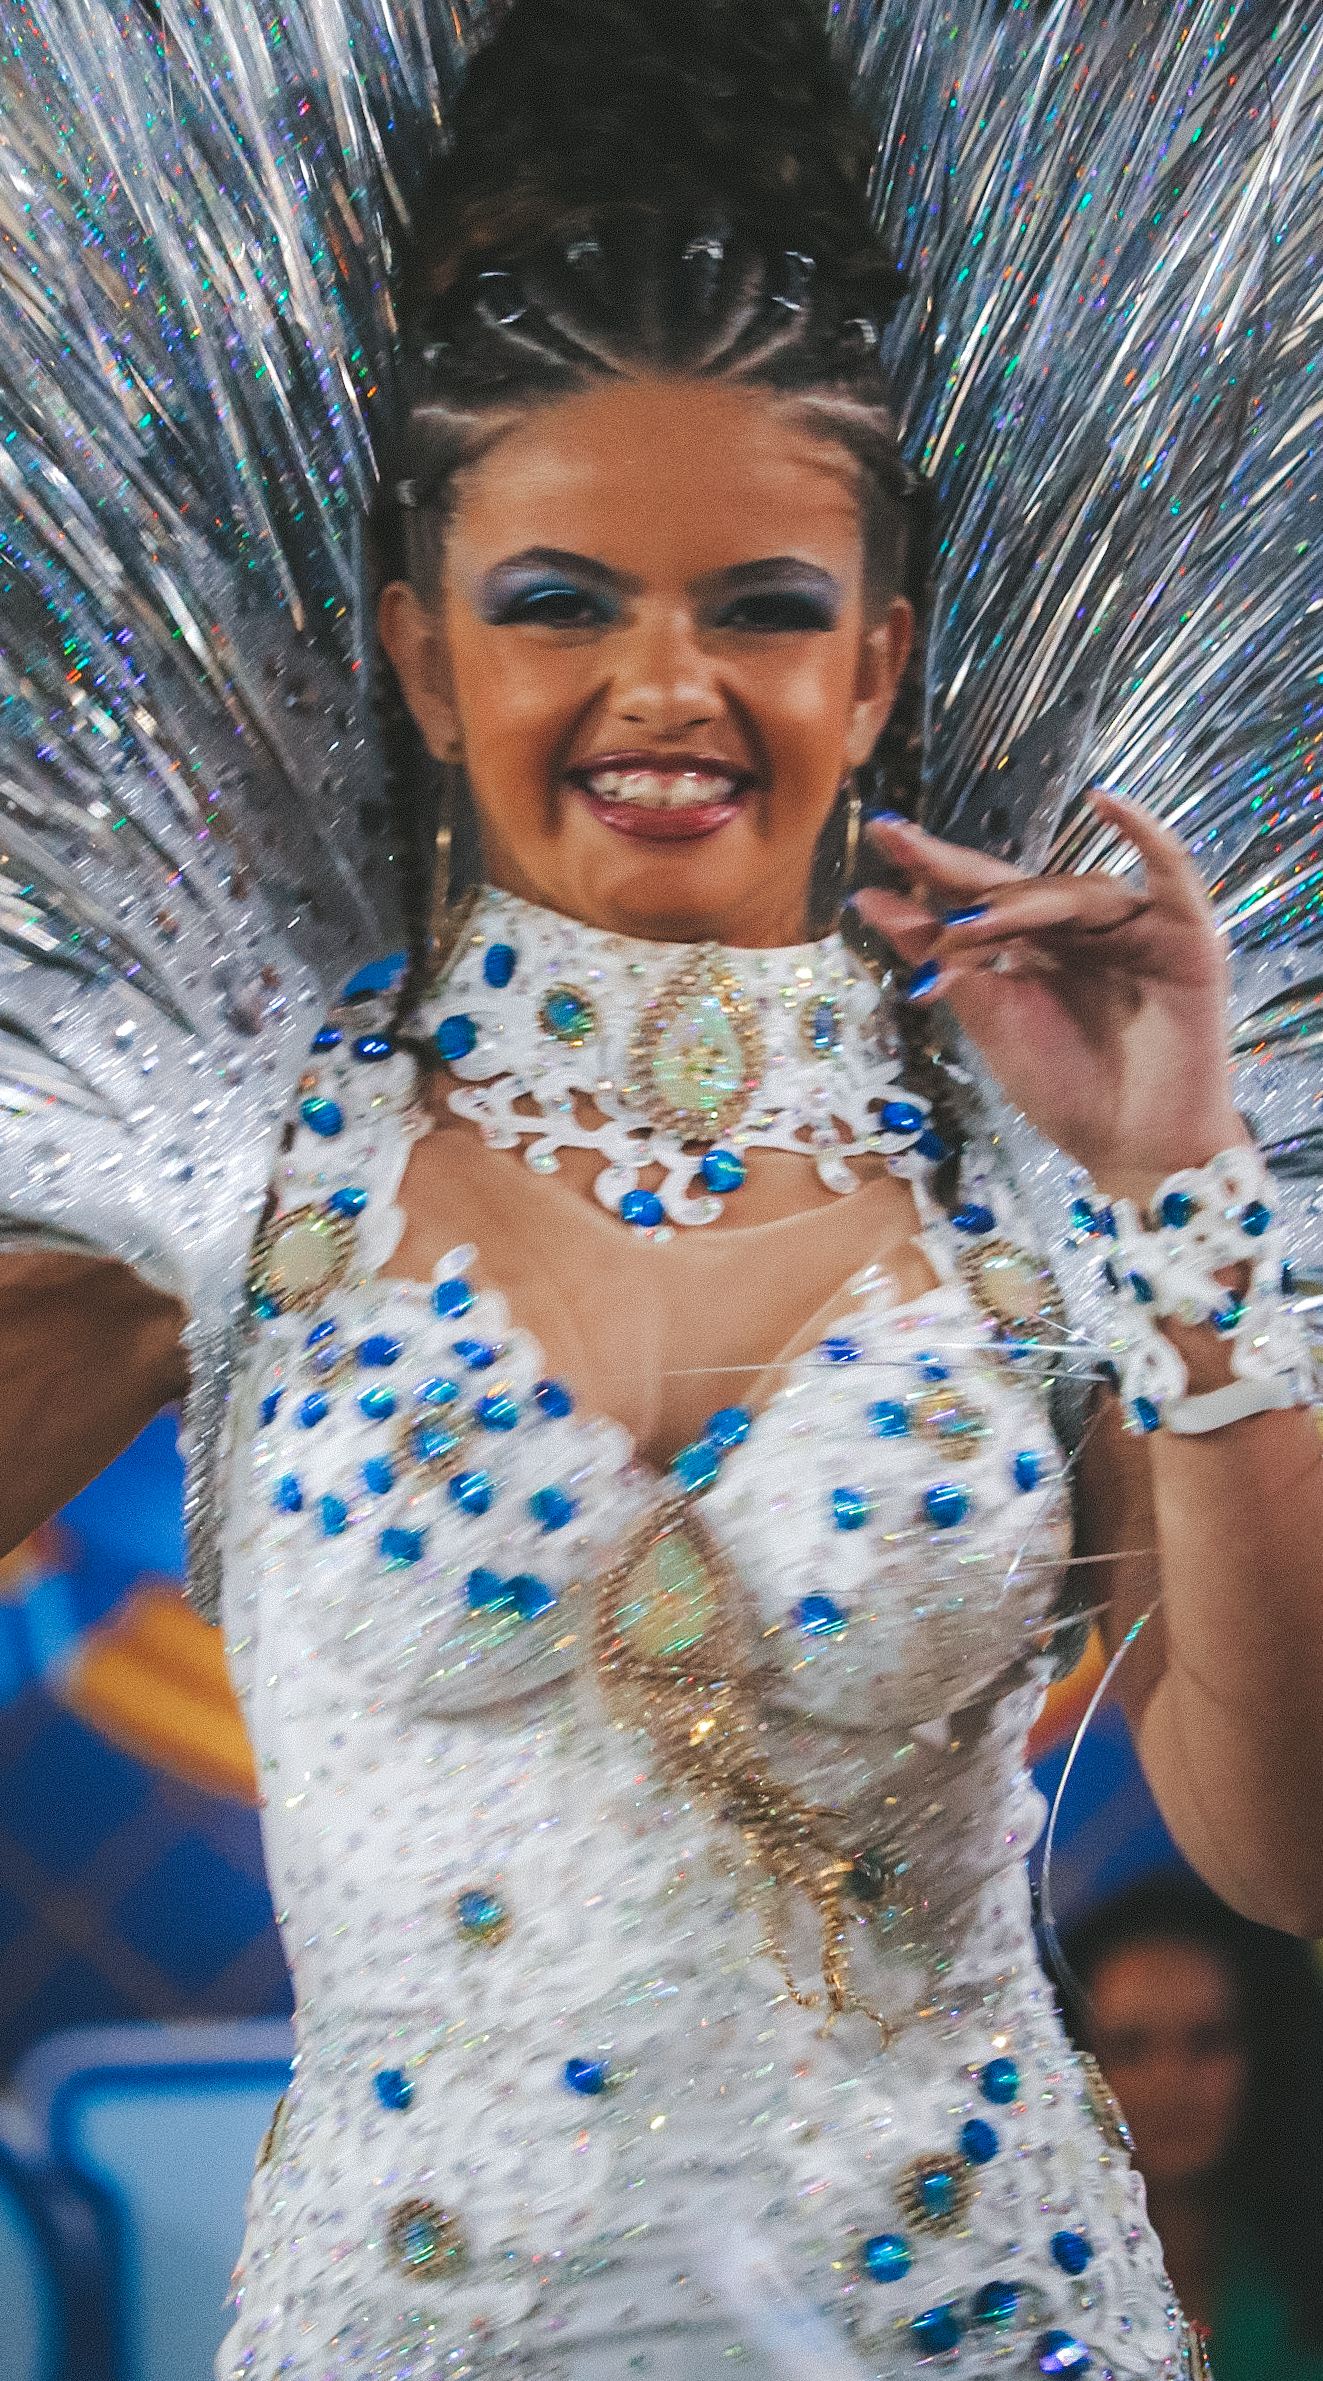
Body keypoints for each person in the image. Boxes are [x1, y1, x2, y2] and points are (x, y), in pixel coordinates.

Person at [2, 1, 1323, 2375]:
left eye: (763, 608)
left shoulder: (1043, 1193)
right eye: (558, 603)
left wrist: (1180, 1190)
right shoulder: (239, 1175)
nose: (664, 685)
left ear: (876, 658)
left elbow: (1289, 1849)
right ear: (422, 659)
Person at [1061, 1879, 1323, 2381]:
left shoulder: (1305, 2258)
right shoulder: (1039, 2278)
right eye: (1129, 2048)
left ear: (1267, 2054)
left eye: (1207, 2042)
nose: (1170, 2085)